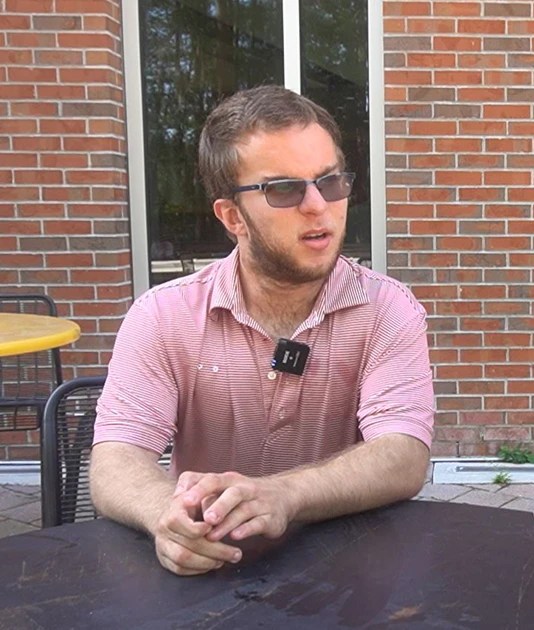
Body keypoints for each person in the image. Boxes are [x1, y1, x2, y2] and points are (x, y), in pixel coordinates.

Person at [91, 86, 435, 576]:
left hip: (349, 572)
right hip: (207, 569)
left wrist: (283, 494)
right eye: (284, 189)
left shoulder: (387, 309)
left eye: (330, 182)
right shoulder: (165, 315)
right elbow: (115, 458)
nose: (319, 206)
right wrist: (163, 512)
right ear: (233, 216)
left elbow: (403, 454)